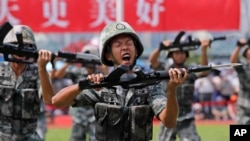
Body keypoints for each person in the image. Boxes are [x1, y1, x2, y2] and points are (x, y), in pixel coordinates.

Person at [52, 21, 188, 141]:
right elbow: (57, 102)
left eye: (129, 43)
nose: (125, 47)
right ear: (108, 55)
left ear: (136, 50)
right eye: (118, 45)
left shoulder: (149, 85)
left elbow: (169, 122)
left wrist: (171, 90)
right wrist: (83, 85)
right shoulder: (101, 85)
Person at [148, 31, 210, 141]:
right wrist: (160, 48)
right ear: (171, 55)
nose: (180, 55)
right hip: (169, 114)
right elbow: (153, 61)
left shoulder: (189, 71)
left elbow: (204, 71)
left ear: (186, 55)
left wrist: (204, 50)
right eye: (176, 53)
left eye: (182, 53)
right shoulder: (165, 70)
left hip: (186, 118)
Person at [0, 24, 54, 141]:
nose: (20, 51)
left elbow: (49, 99)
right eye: (15, 46)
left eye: (26, 46)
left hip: (29, 137)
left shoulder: (39, 73)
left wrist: (42, 68)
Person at [230, 38, 250, 124]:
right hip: (244, 106)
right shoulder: (242, 66)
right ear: (246, 52)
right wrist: (239, 47)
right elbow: (233, 61)